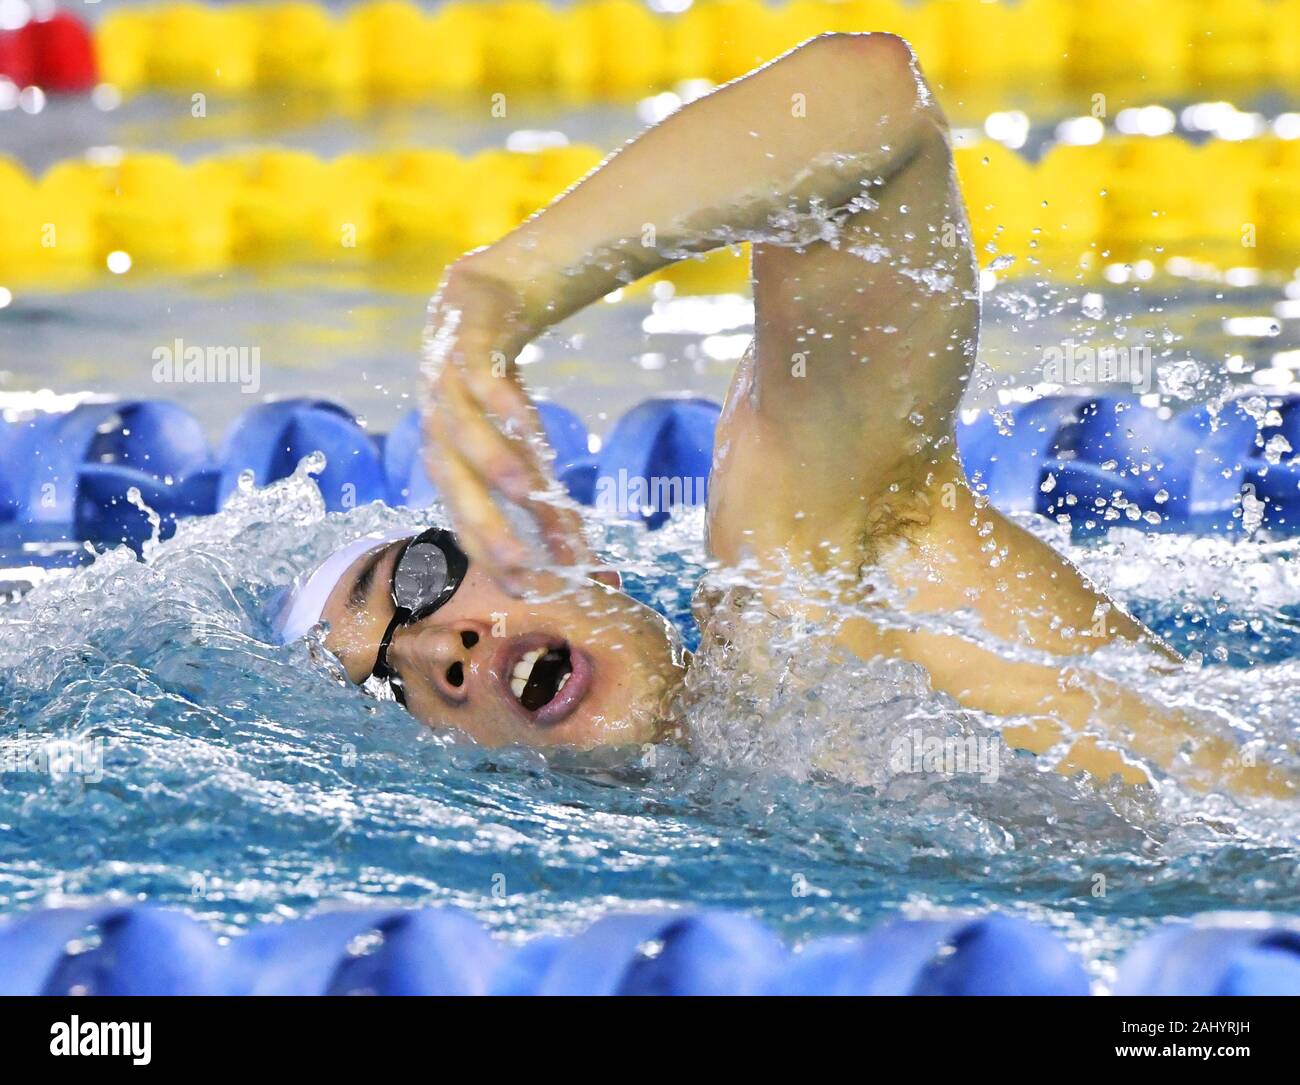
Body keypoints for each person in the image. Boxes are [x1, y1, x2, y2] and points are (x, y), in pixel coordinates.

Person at [280, 33, 1287, 797]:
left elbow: (871, 102)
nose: (440, 653)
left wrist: (500, 285)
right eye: (388, 689)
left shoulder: (812, 576)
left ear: (565, 549)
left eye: (416, 579)